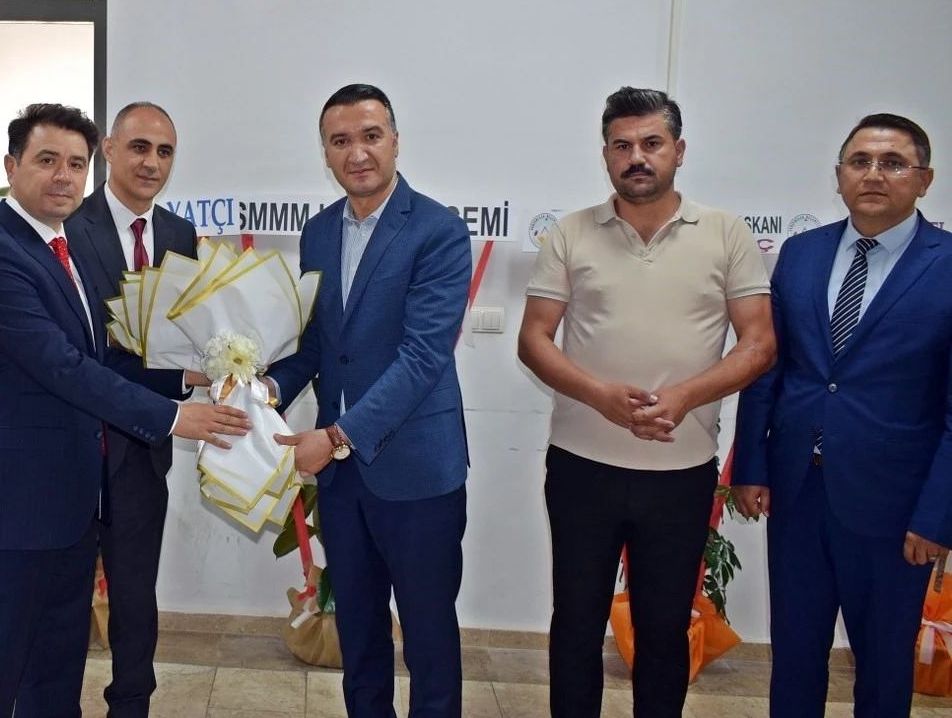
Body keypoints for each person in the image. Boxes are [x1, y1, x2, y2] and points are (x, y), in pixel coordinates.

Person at [0, 102, 249, 718]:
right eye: (46, 160)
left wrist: (190, 376)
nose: (63, 176)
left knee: (55, 677)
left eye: (75, 164)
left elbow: (101, 356)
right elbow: (61, 367)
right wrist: (172, 416)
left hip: (69, 508)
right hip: (9, 511)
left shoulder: (59, 248)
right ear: (11, 167)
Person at [517, 86, 775, 718]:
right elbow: (534, 339)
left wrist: (686, 396)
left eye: (651, 143)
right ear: (606, 154)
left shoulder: (726, 233)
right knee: (576, 622)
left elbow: (760, 344)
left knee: (663, 629)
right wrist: (599, 396)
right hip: (582, 468)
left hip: (681, 473)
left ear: (678, 151)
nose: (637, 157)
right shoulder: (570, 233)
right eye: (622, 145)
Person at [733, 113, 952, 718]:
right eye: (860, 162)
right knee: (794, 655)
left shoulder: (946, 265)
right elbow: (768, 366)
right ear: (838, 176)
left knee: (882, 667)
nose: (873, 174)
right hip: (798, 492)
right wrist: (751, 464)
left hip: (896, 510)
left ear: (925, 179)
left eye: (893, 163)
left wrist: (938, 515)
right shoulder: (802, 253)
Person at [265, 84, 472, 718]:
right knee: (358, 631)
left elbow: (422, 357)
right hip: (344, 480)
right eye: (341, 141)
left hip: (416, 469)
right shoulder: (318, 232)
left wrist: (334, 438)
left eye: (371, 136)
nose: (357, 153)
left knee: (428, 636)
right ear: (325, 152)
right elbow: (318, 343)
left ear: (395, 141)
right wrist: (265, 389)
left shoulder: (437, 230)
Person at [64, 101, 209, 718]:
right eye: (140, 147)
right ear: (108, 149)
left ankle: (131, 706)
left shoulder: (180, 236)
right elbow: (79, 353)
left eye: (165, 151)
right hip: (71, 446)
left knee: (135, 599)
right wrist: (179, 377)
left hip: (143, 450)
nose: (152, 163)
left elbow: (182, 335)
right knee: (62, 602)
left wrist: (219, 363)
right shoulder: (67, 225)